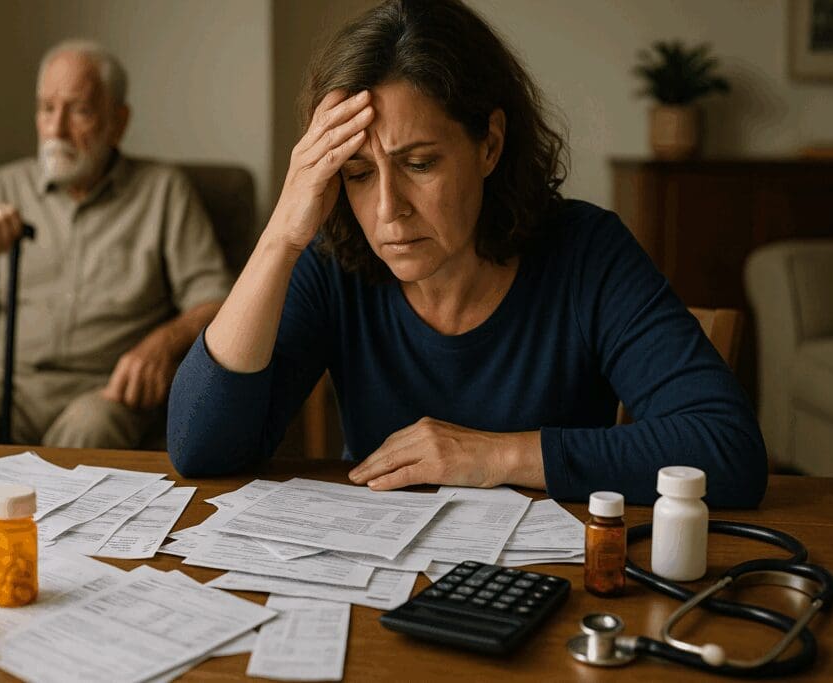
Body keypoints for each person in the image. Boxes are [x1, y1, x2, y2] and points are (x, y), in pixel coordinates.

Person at [167, 0, 767, 506]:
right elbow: (200, 449)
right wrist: (282, 238)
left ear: (490, 144)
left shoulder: (587, 253)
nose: (387, 211)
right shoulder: (334, 261)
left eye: (419, 164)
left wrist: (493, 454)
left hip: (552, 588)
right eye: (356, 174)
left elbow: (726, 448)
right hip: (378, 583)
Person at [0, 40, 232, 448]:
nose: (56, 129)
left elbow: (216, 300)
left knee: (90, 429)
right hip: (2, 387)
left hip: (100, 391)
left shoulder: (163, 191)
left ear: (117, 122)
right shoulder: (5, 186)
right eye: (47, 109)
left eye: (78, 110)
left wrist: (161, 345)